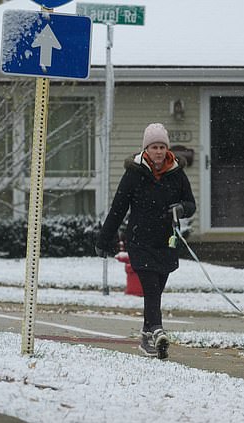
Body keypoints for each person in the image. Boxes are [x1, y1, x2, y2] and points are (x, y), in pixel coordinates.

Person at [94, 123, 196, 359]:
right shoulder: (134, 174)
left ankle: (146, 334)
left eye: (161, 147)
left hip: (166, 241)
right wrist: (104, 239)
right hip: (140, 240)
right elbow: (118, 209)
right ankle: (158, 331)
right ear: (146, 149)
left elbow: (191, 204)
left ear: (166, 149)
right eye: (154, 147)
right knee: (150, 287)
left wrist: (180, 209)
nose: (158, 152)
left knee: (156, 290)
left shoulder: (177, 173)